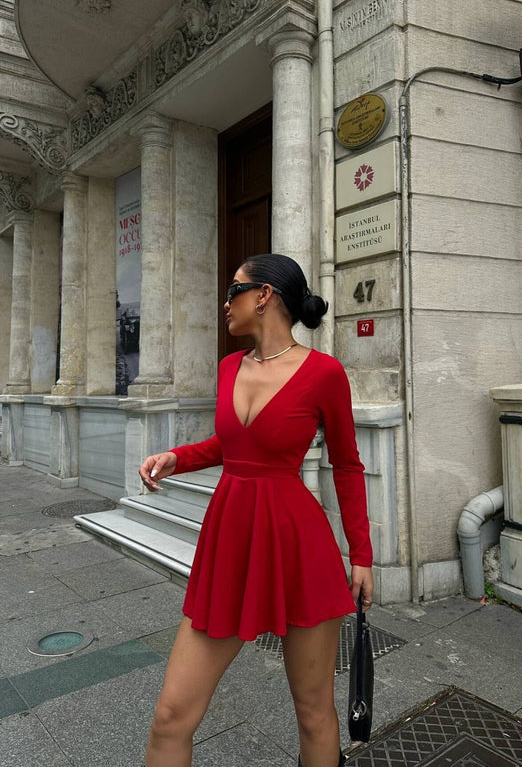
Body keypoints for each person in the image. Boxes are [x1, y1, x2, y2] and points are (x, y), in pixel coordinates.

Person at [139, 253, 373, 767]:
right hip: (230, 541)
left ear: (263, 295)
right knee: (170, 716)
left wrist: (362, 555)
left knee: (313, 712)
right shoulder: (228, 367)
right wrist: (176, 458)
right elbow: (231, 446)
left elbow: (348, 466)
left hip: (297, 542)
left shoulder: (324, 373)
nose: (225, 303)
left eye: (233, 290)